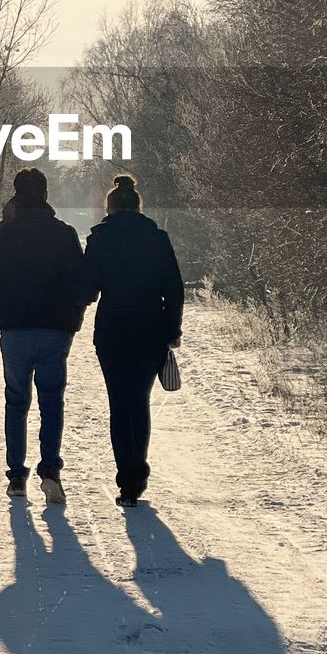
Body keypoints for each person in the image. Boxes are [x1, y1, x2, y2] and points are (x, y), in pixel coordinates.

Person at [0, 167, 85, 503]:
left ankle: (16, 477)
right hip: (54, 331)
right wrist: (71, 320)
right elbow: (79, 284)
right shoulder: (64, 234)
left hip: (15, 330)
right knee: (52, 401)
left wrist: (0, 316)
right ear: (46, 195)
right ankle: (50, 471)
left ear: (16, 194)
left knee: (16, 401)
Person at [78, 174, 183, 507]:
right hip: (150, 330)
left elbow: (87, 290)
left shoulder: (100, 240)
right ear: (138, 207)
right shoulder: (157, 238)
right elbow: (175, 289)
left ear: (109, 207)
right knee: (139, 402)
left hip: (112, 332)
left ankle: (128, 480)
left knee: (119, 404)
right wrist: (173, 329)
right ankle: (137, 475)